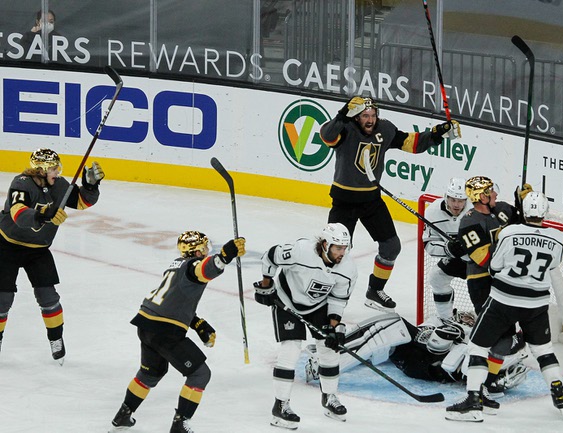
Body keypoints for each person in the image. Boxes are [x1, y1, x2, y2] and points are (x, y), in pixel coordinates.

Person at [319, 96, 460, 312]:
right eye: (365, 116)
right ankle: (324, 290)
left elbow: (412, 143)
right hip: (344, 201)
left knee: (391, 246)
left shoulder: (384, 129)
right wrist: (343, 112)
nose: (370, 120)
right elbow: (326, 135)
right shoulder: (345, 128)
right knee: (336, 250)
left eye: (373, 115)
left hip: (371, 200)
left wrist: (437, 133)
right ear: (356, 117)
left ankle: (375, 290)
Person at [445, 192, 563, 422]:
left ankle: (473, 401)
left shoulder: (510, 232)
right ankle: (557, 389)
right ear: (544, 212)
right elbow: (554, 264)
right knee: (543, 351)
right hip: (537, 304)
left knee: (477, 348)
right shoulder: (559, 238)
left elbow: (495, 265)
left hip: (504, 300)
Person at [109, 232, 246, 433]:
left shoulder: (177, 264)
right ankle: (180, 425)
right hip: (165, 330)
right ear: (198, 251)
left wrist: (197, 323)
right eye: (205, 249)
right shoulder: (192, 266)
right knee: (200, 374)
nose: (207, 251)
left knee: (151, 373)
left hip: (146, 323)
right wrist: (225, 256)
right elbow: (205, 269)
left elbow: (175, 300)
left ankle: (124, 414)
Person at [0, 148, 104, 364]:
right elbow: (18, 214)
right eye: (53, 168)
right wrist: (44, 215)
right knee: (3, 298)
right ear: (40, 170)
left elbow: (83, 202)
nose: (58, 172)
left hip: (38, 249)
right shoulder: (21, 183)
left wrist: (91, 186)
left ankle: (56, 339)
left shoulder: (59, 185)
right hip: (6, 245)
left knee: (48, 297)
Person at [253, 223, 358, 429]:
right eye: (338, 248)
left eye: (345, 248)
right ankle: (280, 406)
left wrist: (332, 328)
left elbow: (338, 300)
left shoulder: (348, 268)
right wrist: (266, 286)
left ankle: (329, 398)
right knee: (291, 349)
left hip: (318, 306)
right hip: (286, 301)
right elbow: (271, 256)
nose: (342, 253)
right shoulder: (300, 251)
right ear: (325, 244)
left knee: (329, 350)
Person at [450, 175, 531, 393]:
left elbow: (525, 224)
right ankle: (477, 378)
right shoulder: (469, 222)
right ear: (481, 197)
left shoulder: (502, 209)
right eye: (491, 191)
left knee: (508, 334)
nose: (495, 193)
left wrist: (524, 203)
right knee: (495, 334)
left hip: (504, 281)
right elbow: (484, 260)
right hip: (482, 283)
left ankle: (489, 378)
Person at [303, 311, 528, 389]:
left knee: (391, 324)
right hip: (416, 357)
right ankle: (335, 350)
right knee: (384, 333)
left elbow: (450, 359)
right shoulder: (444, 321)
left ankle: (328, 364)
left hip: (431, 361)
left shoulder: (475, 337)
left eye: (470, 319)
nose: (468, 318)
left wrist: (452, 336)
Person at [422, 177, 472, 320]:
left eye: (461, 200)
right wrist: (448, 249)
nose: (456, 205)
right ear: (446, 197)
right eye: (452, 199)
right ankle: (446, 319)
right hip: (456, 259)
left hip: (479, 261)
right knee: (437, 278)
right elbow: (428, 243)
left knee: (487, 288)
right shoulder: (432, 212)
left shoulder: (475, 211)